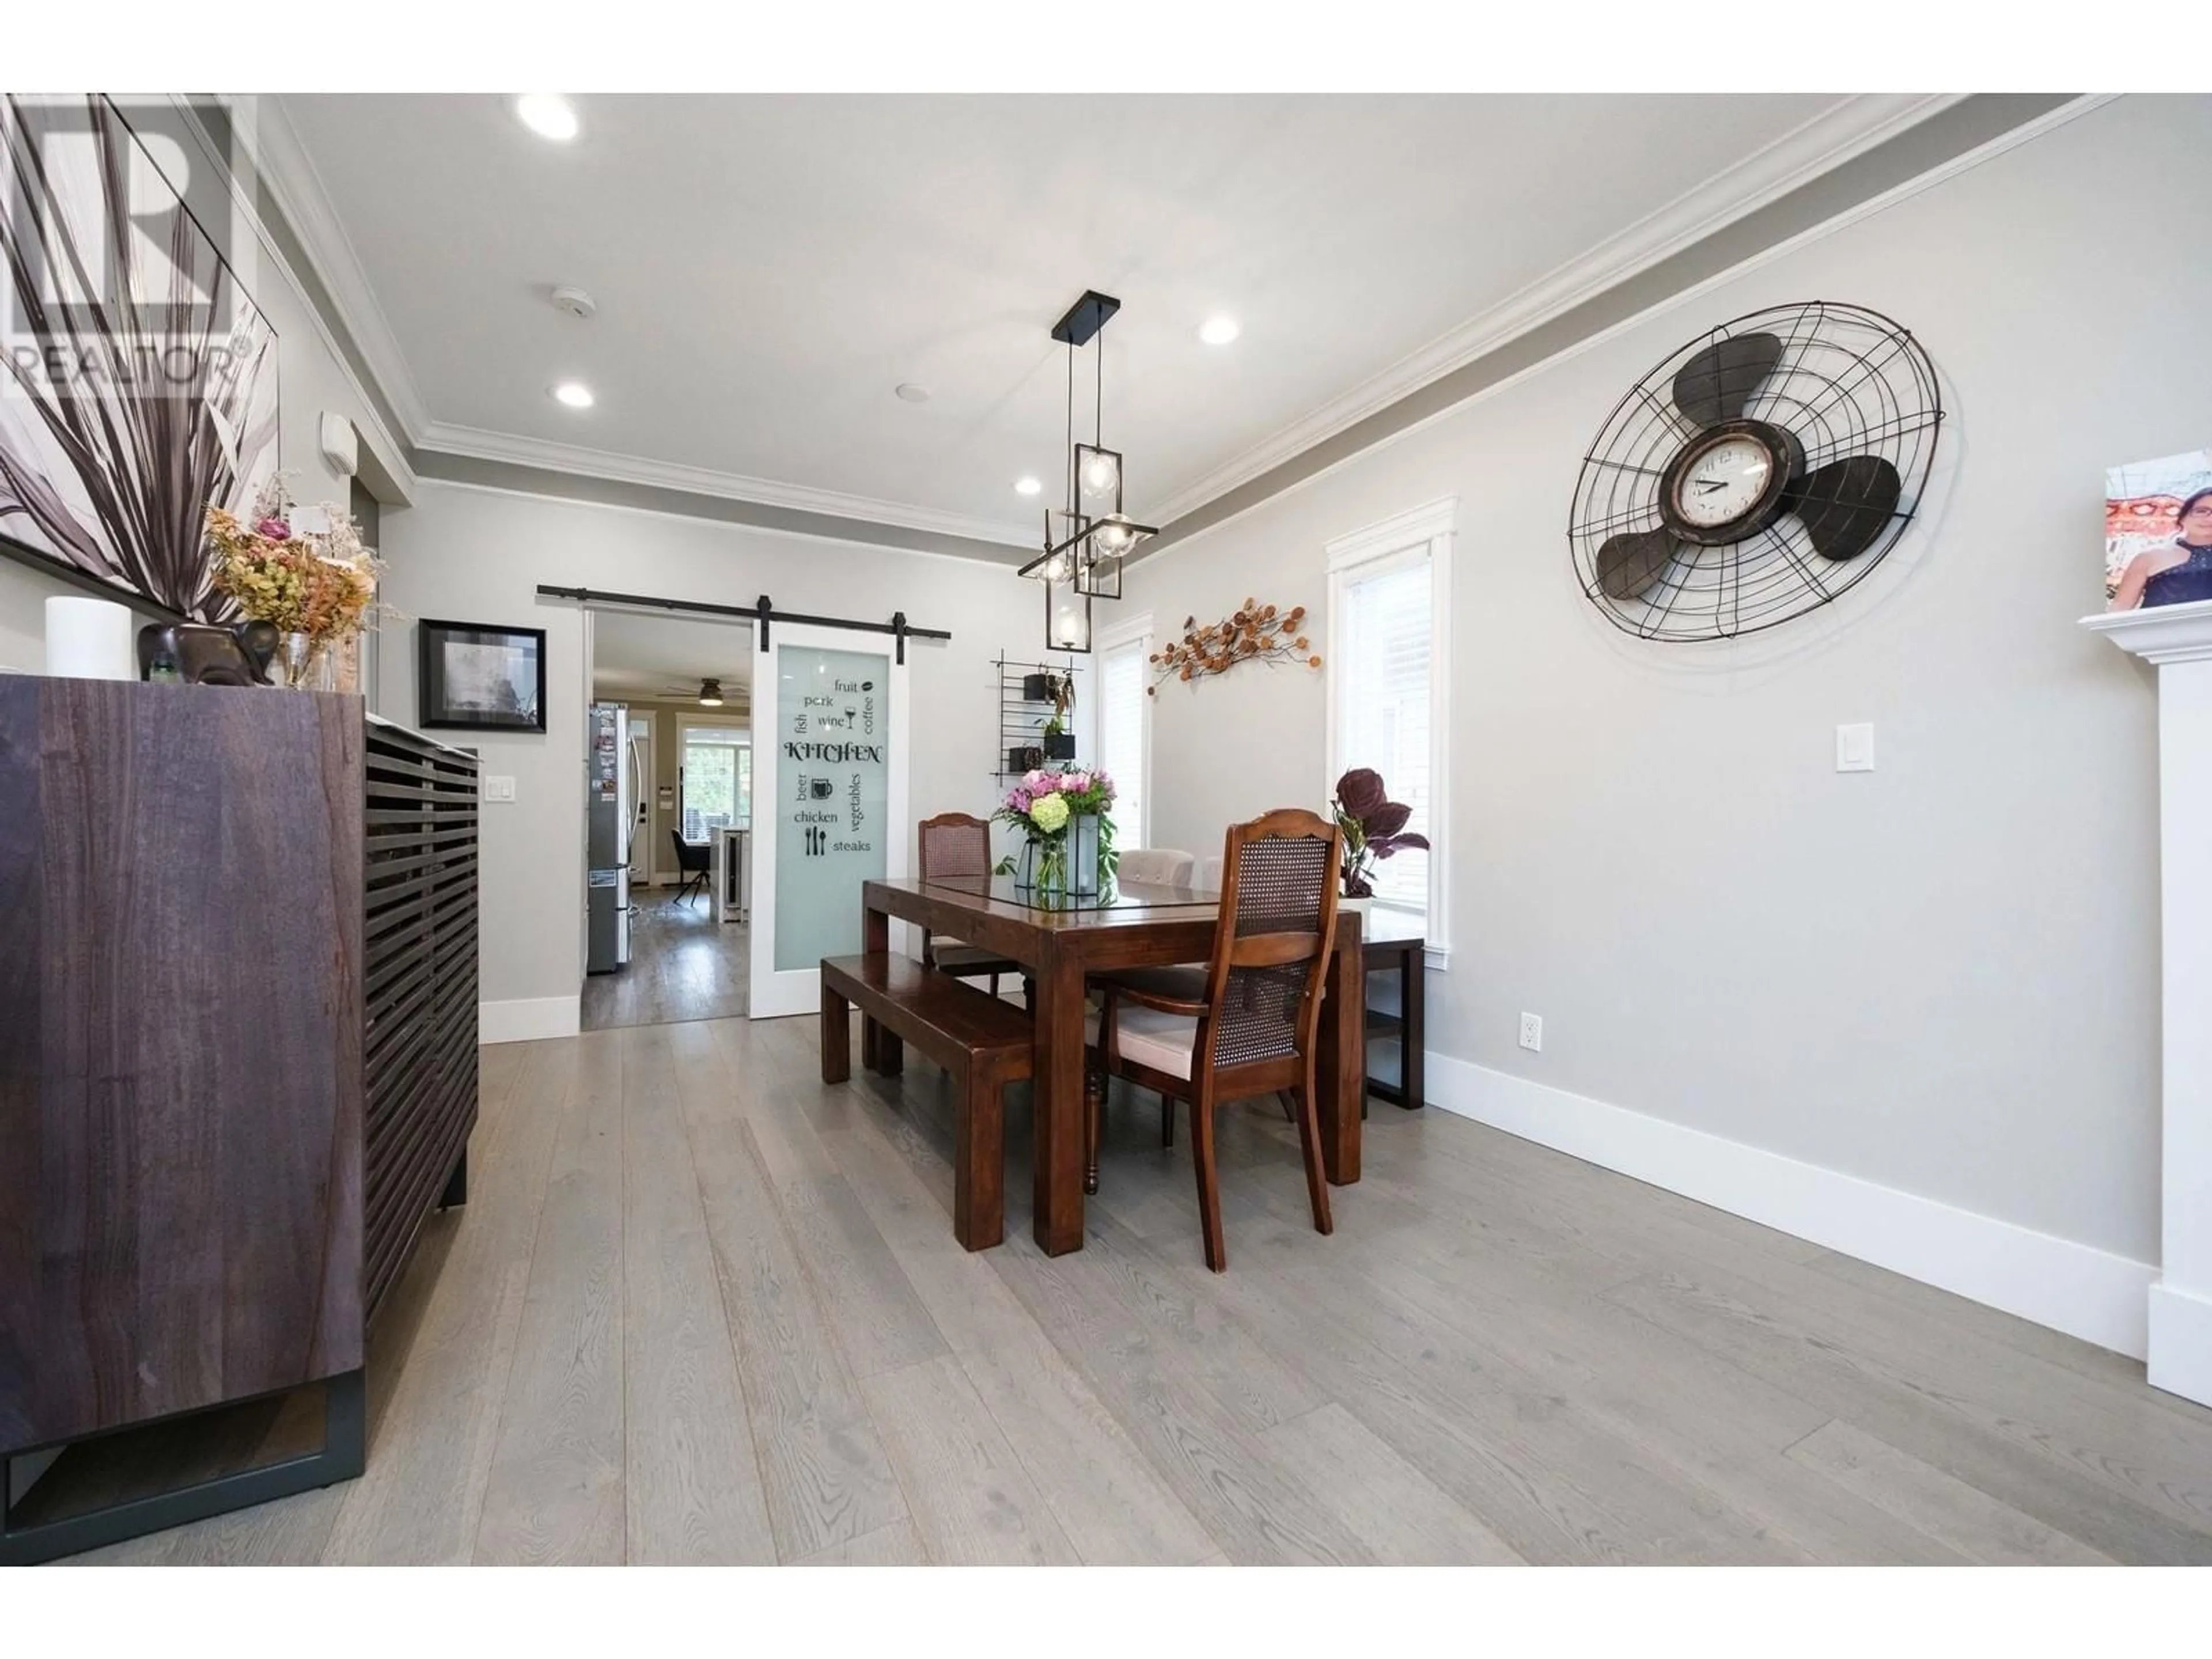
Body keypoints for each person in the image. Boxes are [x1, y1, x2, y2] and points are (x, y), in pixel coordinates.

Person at [2111, 487, 2212, 609]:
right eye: (2201, 511)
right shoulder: (2149, 558)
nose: (2209, 519)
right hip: (2160, 627)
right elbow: (2119, 610)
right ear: (2183, 517)